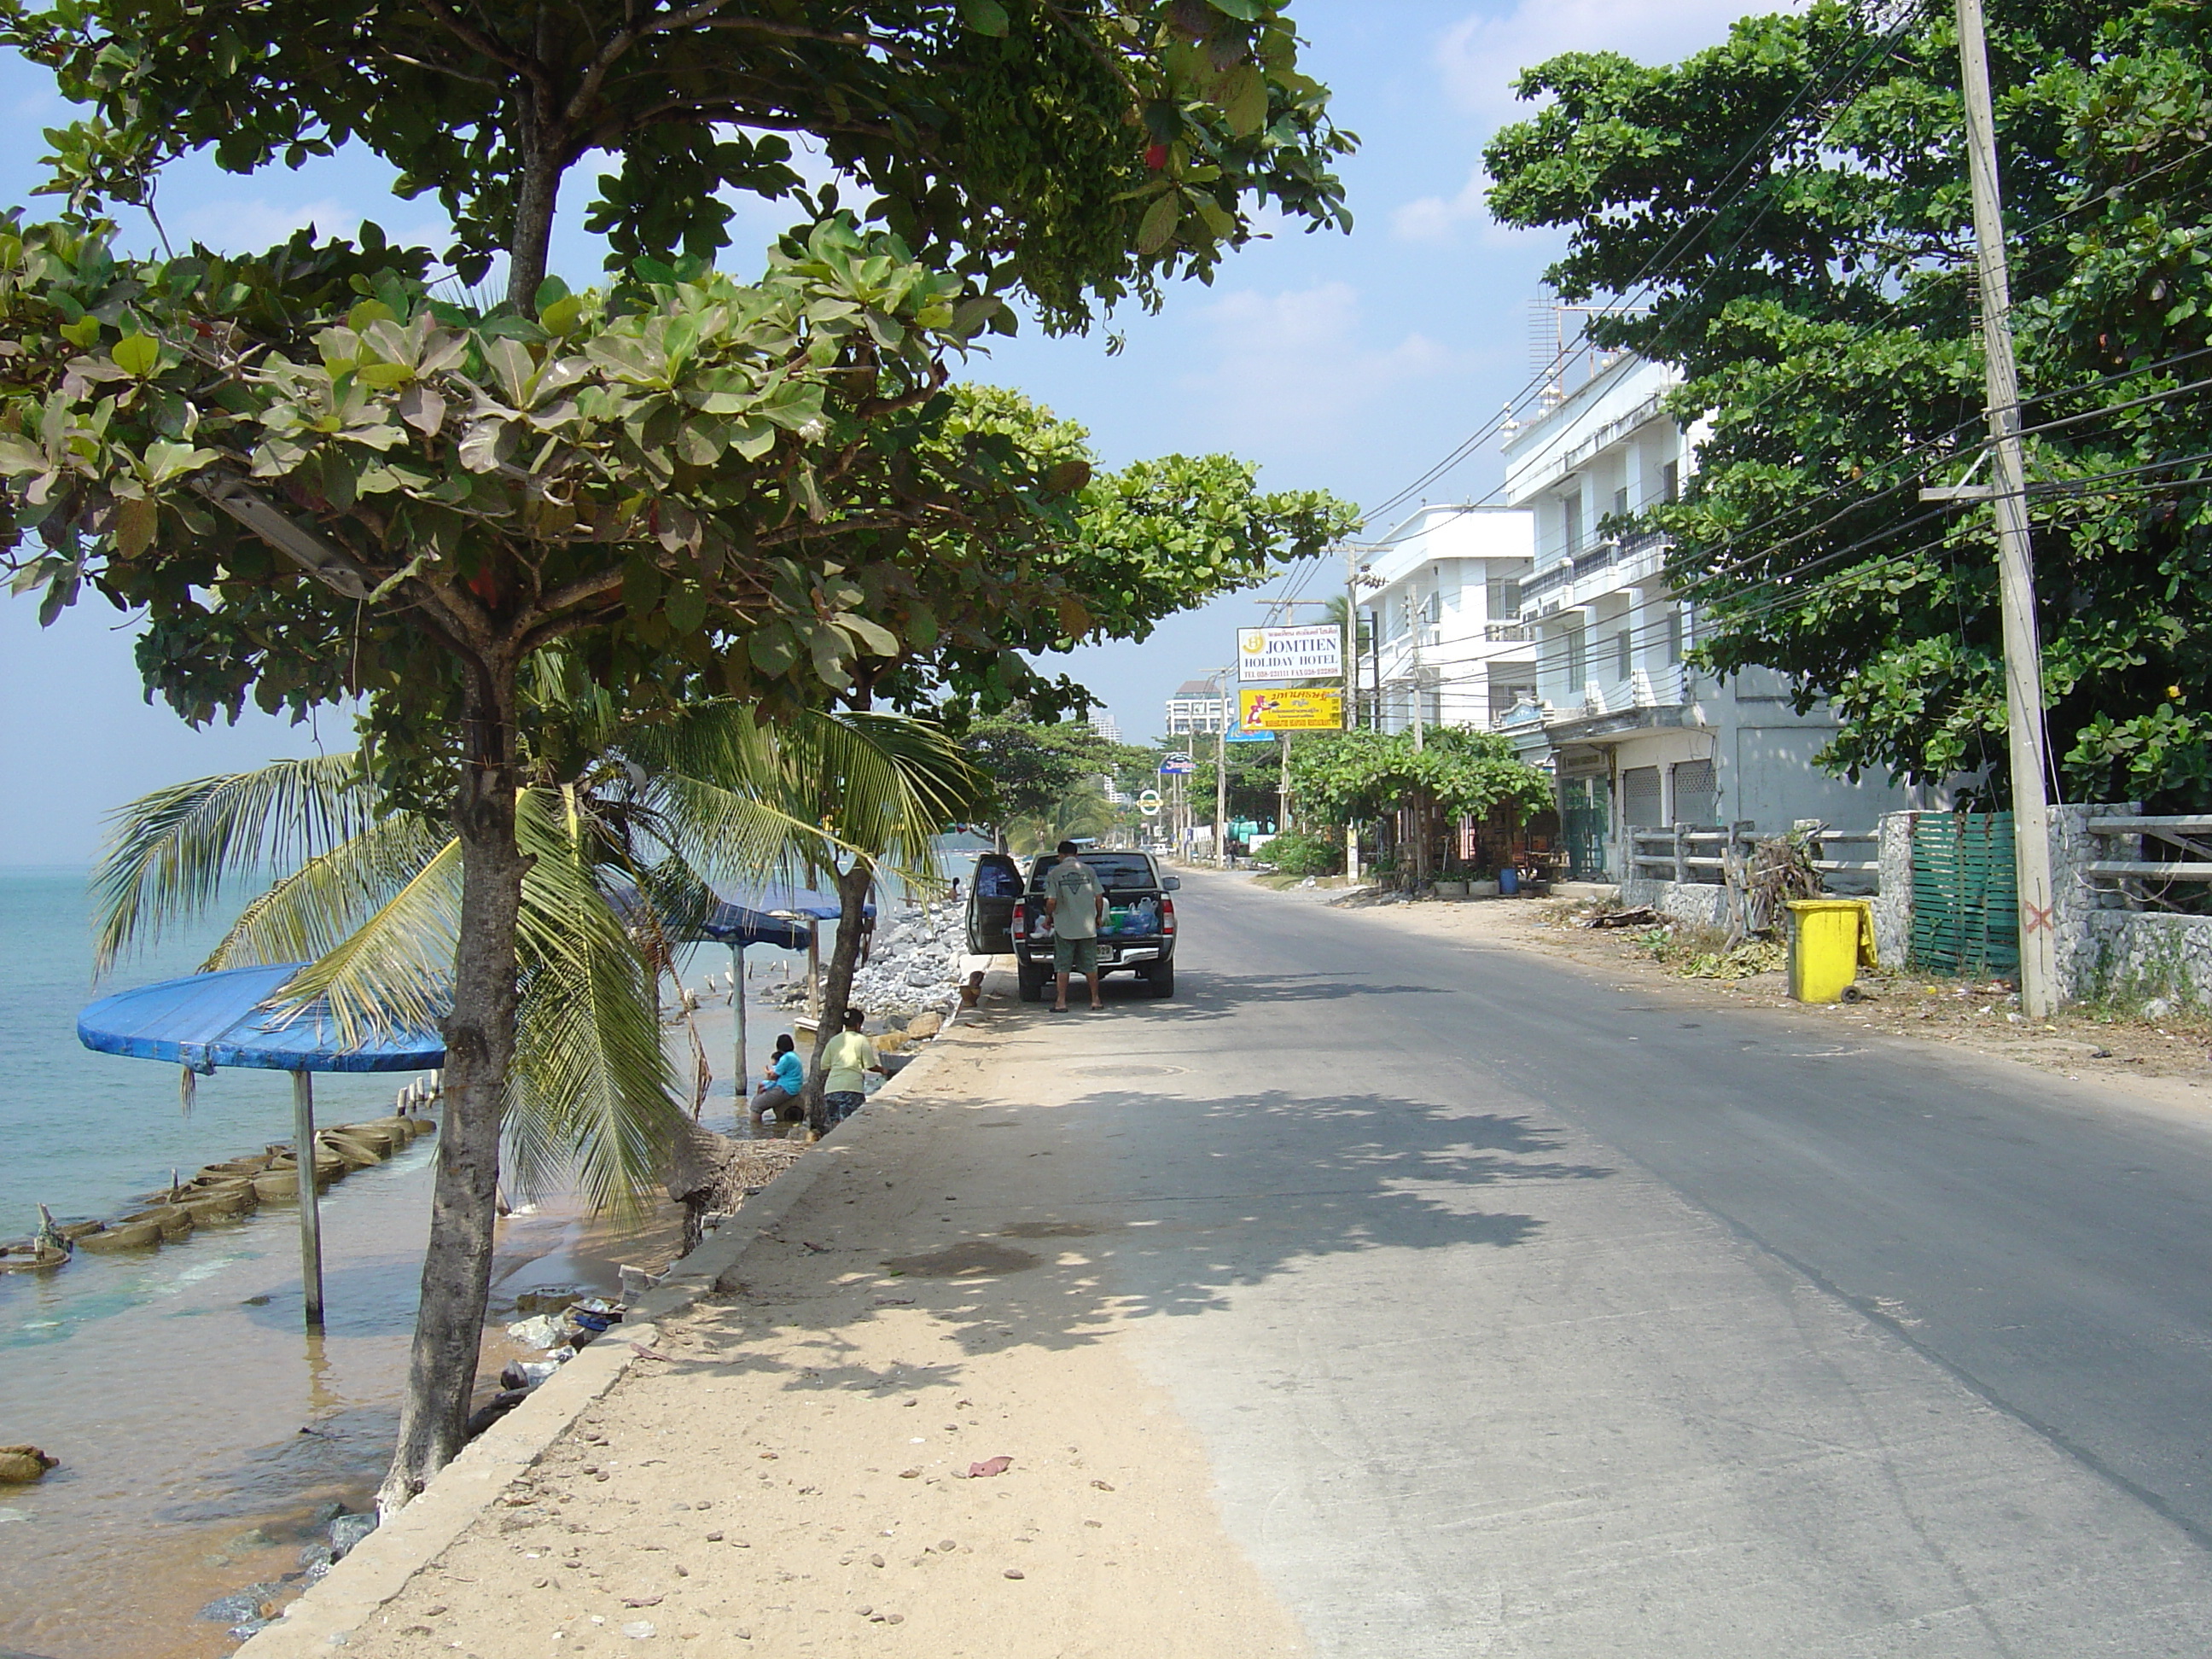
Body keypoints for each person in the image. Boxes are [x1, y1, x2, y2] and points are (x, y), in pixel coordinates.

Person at [1041, 839, 1107, 1012]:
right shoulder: (1088, 870)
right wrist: (1099, 917)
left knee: (1063, 965)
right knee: (1091, 965)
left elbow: (1051, 900)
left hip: (1064, 927)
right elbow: (1099, 897)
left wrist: (1048, 916)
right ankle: (1095, 1000)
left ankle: (1061, 1002)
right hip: (1087, 927)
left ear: (1060, 856)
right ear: (1077, 855)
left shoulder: (1054, 873)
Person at [820, 1005, 885, 1128]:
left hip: (831, 1090)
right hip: (852, 1089)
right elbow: (870, 1065)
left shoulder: (833, 1041)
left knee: (836, 1126)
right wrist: (883, 1070)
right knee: (852, 1126)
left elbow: (824, 1065)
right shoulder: (861, 1040)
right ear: (857, 1025)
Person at [750, 1033, 804, 1127]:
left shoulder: (786, 1058)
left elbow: (774, 1076)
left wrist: (767, 1072)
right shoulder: (794, 1056)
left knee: (756, 1105)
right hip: (792, 1086)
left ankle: (756, 1129)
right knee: (760, 1094)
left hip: (786, 1088)